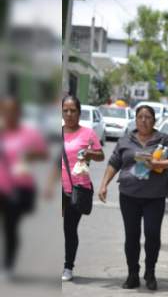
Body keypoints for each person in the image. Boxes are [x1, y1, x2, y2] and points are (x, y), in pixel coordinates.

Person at [97, 105, 168, 290]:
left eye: (148, 117)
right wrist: (104, 184)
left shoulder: (163, 139)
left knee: (152, 235)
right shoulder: (125, 140)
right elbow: (114, 163)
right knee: (132, 236)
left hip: (155, 196)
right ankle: (132, 274)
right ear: (135, 120)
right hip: (129, 195)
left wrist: (159, 163)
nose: (144, 120)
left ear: (154, 120)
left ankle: (150, 272)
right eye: (140, 117)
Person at [0, 97, 48, 279]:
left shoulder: (29, 133)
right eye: (5, 111)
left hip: (18, 188)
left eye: (12, 110)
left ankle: (9, 264)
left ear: (18, 113)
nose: (9, 114)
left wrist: (30, 154)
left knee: (10, 227)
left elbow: (44, 154)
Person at [59, 95, 105, 282]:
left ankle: (68, 267)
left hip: (76, 189)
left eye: (73, 110)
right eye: (65, 110)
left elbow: (101, 155)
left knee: (69, 229)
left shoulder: (88, 134)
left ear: (79, 112)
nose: (69, 114)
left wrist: (90, 153)